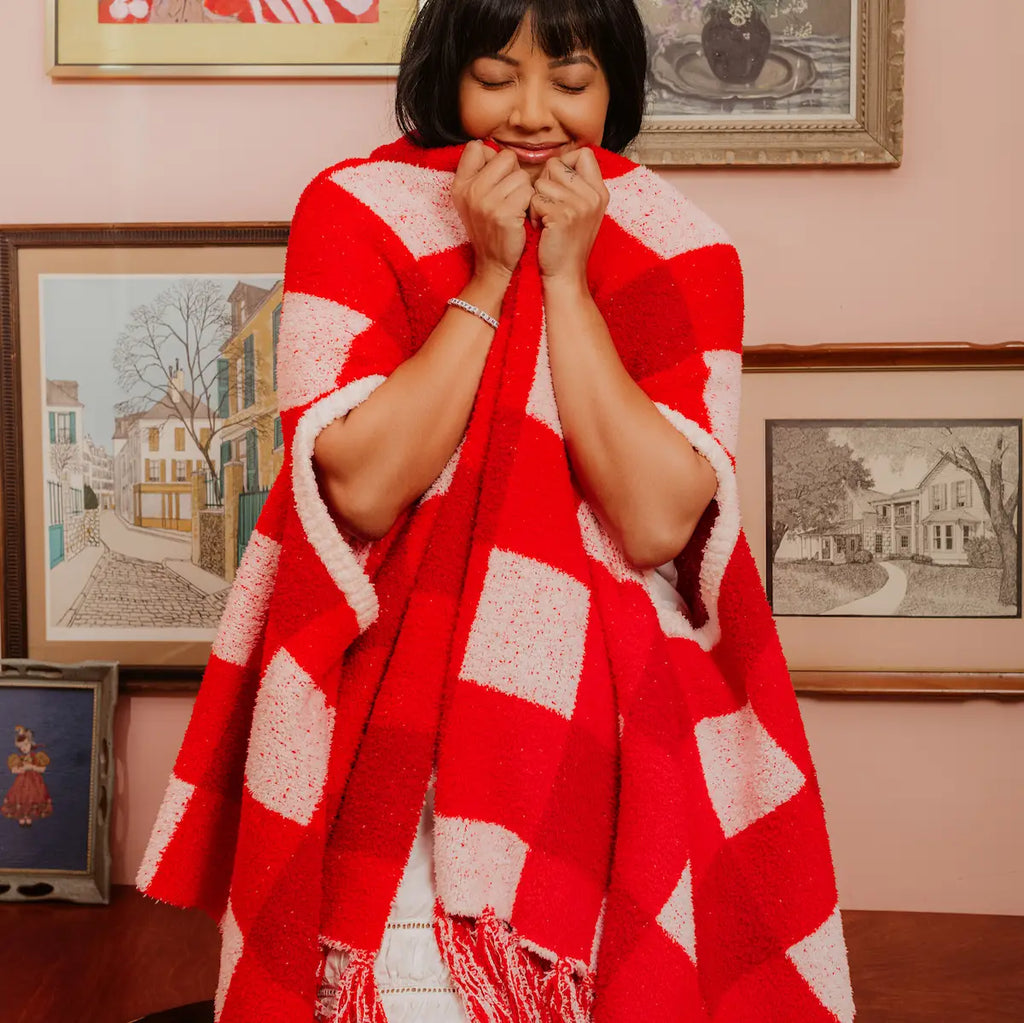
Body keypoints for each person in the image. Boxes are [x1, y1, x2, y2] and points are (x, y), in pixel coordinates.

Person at [139, 2, 855, 1021]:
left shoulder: (685, 248)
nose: (531, 114)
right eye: (494, 77)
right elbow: (363, 487)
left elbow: (656, 520)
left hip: (614, 736)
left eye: (570, 82)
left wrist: (565, 279)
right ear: (444, 77)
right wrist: (490, 273)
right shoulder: (353, 212)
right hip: (389, 715)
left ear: (615, 90)